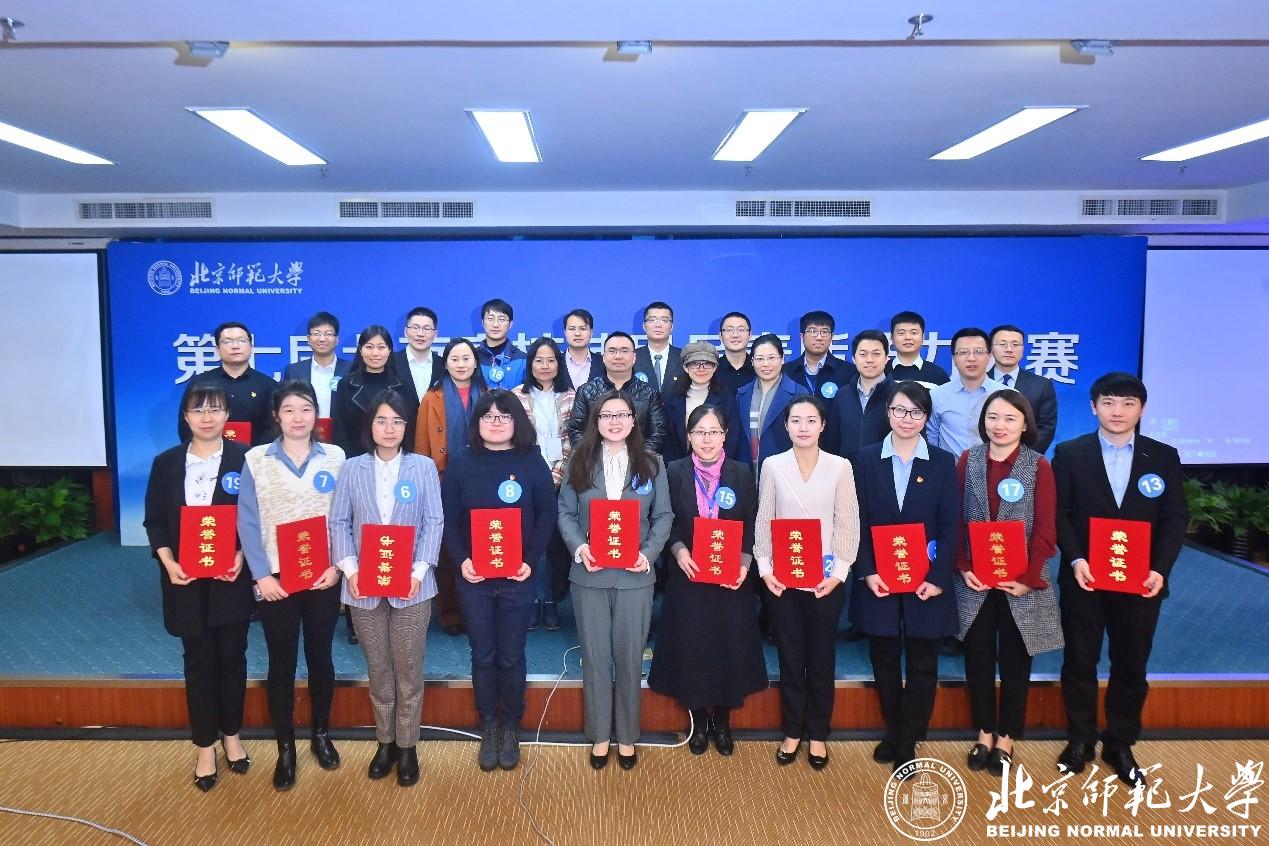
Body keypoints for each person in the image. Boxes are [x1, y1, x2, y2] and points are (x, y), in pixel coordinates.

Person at [1053, 373, 1187, 787]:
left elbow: (1174, 517)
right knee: (1080, 660)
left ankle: (1120, 743)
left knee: (1131, 663)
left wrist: (1159, 569)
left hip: (1141, 581)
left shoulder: (1162, 456)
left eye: (1128, 403)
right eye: (1109, 402)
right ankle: (1080, 739)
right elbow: (1059, 513)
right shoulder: (1070, 453)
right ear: (1093, 406)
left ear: (1141, 410)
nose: (1118, 411)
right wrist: (1075, 559)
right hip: (1086, 578)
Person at [328, 389, 442, 787]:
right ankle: (385, 742)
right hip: (363, 588)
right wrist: (350, 570)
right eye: (381, 420)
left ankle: (408, 746)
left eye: (397, 421)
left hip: (413, 586)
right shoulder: (352, 468)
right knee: (378, 669)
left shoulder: (423, 467)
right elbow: (338, 522)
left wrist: (418, 572)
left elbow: (434, 522)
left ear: (406, 426)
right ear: (370, 426)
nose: (389, 428)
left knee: (408, 668)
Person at [237, 380, 347, 791]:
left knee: (321, 658)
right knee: (280, 663)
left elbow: (345, 516)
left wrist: (337, 567)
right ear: (276, 416)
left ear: (316, 414)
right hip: (276, 581)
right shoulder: (256, 459)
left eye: (305, 409)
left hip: (322, 577)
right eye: (289, 410)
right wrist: (261, 576)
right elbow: (247, 522)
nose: (298, 418)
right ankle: (286, 748)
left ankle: (321, 734)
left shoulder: (336, 457)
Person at [144, 383, 253, 792]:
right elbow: (155, 521)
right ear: (185, 416)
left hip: (230, 578)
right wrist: (169, 562)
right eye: (198, 409)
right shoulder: (167, 463)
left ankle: (232, 736)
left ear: (227, 415)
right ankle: (205, 746)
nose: (207, 417)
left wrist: (241, 555)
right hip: (185, 580)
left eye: (215, 409)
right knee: (199, 661)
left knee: (233, 658)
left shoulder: (246, 459)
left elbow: (256, 517)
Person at [443, 391, 557, 771]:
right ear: (476, 422)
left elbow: (547, 514)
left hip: (517, 576)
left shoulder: (530, 459)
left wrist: (529, 561)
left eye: (504, 415)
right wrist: (462, 561)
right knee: (483, 654)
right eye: (488, 415)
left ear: (516, 421)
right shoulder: (461, 462)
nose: (495, 422)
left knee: (511, 654)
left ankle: (511, 726)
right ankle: (488, 724)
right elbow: (449, 518)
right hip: (474, 577)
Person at [558, 391, 672, 771]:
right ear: (596, 421)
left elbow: (664, 516)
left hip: (635, 575)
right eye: (607, 415)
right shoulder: (579, 460)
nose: (615, 421)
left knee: (629, 657)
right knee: (594, 658)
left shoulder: (652, 463)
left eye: (622, 414)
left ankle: (626, 736)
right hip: (589, 574)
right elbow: (566, 513)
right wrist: (579, 547)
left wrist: (648, 554)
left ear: (634, 420)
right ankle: (600, 736)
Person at [851, 381, 960, 775]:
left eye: (916, 412)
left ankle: (909, 737)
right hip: (879, 577)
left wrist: (938, 576)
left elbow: (950, 524)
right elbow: (856, 520)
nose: (907, 418)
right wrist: (867, 571)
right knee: (882, 656)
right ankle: (894, 731)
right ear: (888, 413)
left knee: (922, 660)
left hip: (925, 579)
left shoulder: (943, 461)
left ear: (926, 417)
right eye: (899, 410)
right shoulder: (865, 459)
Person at [954, 390, 1062, 777]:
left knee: (1016, 662)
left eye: (1009, 419)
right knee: (978, 658)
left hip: (1021, 582)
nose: (999, 426)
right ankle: (984, 732)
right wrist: (963, 565)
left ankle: (1007, 738)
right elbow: (956, 518)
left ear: (1025, 424)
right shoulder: (969, 459)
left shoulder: (1038, 465)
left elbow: (1046, 528)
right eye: (993, 417)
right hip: (976, 581)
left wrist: (1029, 578)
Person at [648, 405, 766, 756]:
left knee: (728, 646)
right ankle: (699, 721)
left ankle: (723, 722)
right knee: (694, 647)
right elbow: (664, 519)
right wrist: (679, 550)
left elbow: (752, 522)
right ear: (689, 436)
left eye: (714, 431)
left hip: (731, 580)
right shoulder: (674, 471)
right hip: (689, 575)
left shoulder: (741, 472)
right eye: (699, 432)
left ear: (725, 435)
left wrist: (745, 563)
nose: (707, 439)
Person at [753, 395, 860, 770]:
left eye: (811, 420)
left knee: (821, 657)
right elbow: (765, 519)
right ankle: (792, 730)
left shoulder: (840, 466)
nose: (803, 427)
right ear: (785, 426)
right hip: (782, 582)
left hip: (825, 581)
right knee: (790, 656)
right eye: (796, 420)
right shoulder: (773, 465)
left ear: (822, 426)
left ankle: (818, 733)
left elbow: (848, 522)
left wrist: (839, 572)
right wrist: (765, 569)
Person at [415, 337, 488, 635]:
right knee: (448, 549)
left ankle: (478, 610)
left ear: (475, 362)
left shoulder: (488, 395)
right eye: (454, 359)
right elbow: (422, 446)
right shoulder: (431, 398)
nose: (461, 364)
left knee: (481, 544)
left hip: (482, 481)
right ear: (445, 363)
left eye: (466, 358)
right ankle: (450, 613)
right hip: (442, 481)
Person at [510, 337, 576, 630]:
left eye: (551, 360)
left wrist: (556, 477)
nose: (545, 366)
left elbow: (575, 440)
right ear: (531, 364)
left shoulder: (572, 397)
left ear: (558, 364)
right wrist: (536, 478)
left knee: (555, 545)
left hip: (564, 477)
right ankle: (532, 599)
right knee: (528, 541)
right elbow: (512, 440)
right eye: (539, 360)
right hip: (525, 478)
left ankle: (550, 600)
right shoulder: (516, 397)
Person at [178, 321, 277, 446]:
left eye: (241, 341)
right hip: (209, 454)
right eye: (227, 341)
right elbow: (185, 424)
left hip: (256, 454)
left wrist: (257, 453)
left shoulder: (267, 385)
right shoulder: (200, 383)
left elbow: (275, 425)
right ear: (217, 349)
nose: (235, 346)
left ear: (251, 347)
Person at [567, 331, 668, 453]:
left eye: (624, 351)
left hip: (638, 461)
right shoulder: (586, 391)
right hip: (595, 462)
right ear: (603, 357)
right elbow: (575, 430)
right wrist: (596, 458)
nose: (618, 356)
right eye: (612, 351)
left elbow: (657, 434)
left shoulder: (650, 394)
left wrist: (635, 458)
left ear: (634, 357)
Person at [331, 326, 411, 460]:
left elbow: (410, 429)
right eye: (369, 347)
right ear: (360, 350)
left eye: (381, 347)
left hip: (394, 459)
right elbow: (339, 429)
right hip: (354, 459)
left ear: (389, 351)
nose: (375, 353)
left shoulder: (402, 386)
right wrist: (350, 461)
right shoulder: (346, 384)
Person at [660, 340, 745, 465]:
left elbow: (732, 440)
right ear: (685, 367)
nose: (701, 369)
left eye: (707, 364)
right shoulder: (672, 397)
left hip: (718, 468)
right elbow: (668, 441)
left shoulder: (727, 398)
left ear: (715, 367)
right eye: (694, 364)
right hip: (679, 468)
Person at [927, 327, 1006, 458]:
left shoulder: (1006, 395)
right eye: (963, 352)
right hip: (950, 469)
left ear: (989, 357)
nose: (971, 358)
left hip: (994, 469)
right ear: (954, 359)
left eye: (978, 352)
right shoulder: (937, 396)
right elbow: (932, 438)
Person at [735, 333, 800, 476]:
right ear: (752, 361)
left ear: (782, 359)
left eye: (771, 358)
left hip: (786, 475)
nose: (765, 364)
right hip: (747, 475)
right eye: (759, 359)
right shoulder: (742, 395)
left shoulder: (799, 394)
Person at [988, 324, 1058, 454]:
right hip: (983, 458)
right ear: (991, 348)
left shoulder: (1041, 385)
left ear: (1023, 349)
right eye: (1002, 344)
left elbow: (1046, 427)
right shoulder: (979, 382)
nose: (1009, 349)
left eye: (1015, 344)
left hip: (1026, 459)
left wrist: (1021, 457)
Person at [829, 329, 894, 462]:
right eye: (863, 354)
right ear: (854, 358)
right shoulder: (842, 395)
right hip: (847, 470)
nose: (869, 360)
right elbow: (833, 440)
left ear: (887, 358)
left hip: (885, 471)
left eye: (876, 354)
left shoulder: (898, 395)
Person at [281, 311, 351, 419]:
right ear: (309, 339)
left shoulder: (350, 370)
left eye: (328, 334)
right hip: (304, 428)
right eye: (317, 334)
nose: (322, 339)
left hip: (342, 429)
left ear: (337, 340)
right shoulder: (294, 371)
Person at [782, 310, 856, 401]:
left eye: (824, 332)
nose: (819, 337)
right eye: (813, 331)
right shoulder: (786, 371)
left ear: (832, 337)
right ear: (802, 336)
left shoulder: (849, 372)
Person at [392, 306, 443, 409]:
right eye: (415, 328)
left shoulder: (443, 365)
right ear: (405, 332)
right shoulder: (391, 363)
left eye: (427, 329)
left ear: (435, 334)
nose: (420, 334)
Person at [886, 310, 950, 389]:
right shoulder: (882, 371)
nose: (908, 337)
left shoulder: (938, 374)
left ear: (923, 337)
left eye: (913, 333)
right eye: (901, 333)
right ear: (892, 337)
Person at [633, 301, 684, 394]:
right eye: (652, 320)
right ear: (644, 326)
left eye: (664, 320)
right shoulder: (633, 357)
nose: (658, 325)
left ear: (672, 327)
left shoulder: (683, 357)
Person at [476, 298, 527, 390]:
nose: (495, 324)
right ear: (483, 322)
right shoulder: (472, 358)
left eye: (501, 319)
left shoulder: (523, 360)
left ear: (510, 324)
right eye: (490, 319)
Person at [562, 308, 604, 390]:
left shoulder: (603, 363)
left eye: (583, 329)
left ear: (591, 332)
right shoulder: (555, 362)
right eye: (572, 329)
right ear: (565, 332)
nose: (577, 333)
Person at [716, 311, 756, 394]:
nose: (735, 335)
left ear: (750, 335)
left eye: (741, 330)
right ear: (720, 336)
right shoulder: (712, 370)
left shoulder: (759, 369)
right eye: (729, 330)